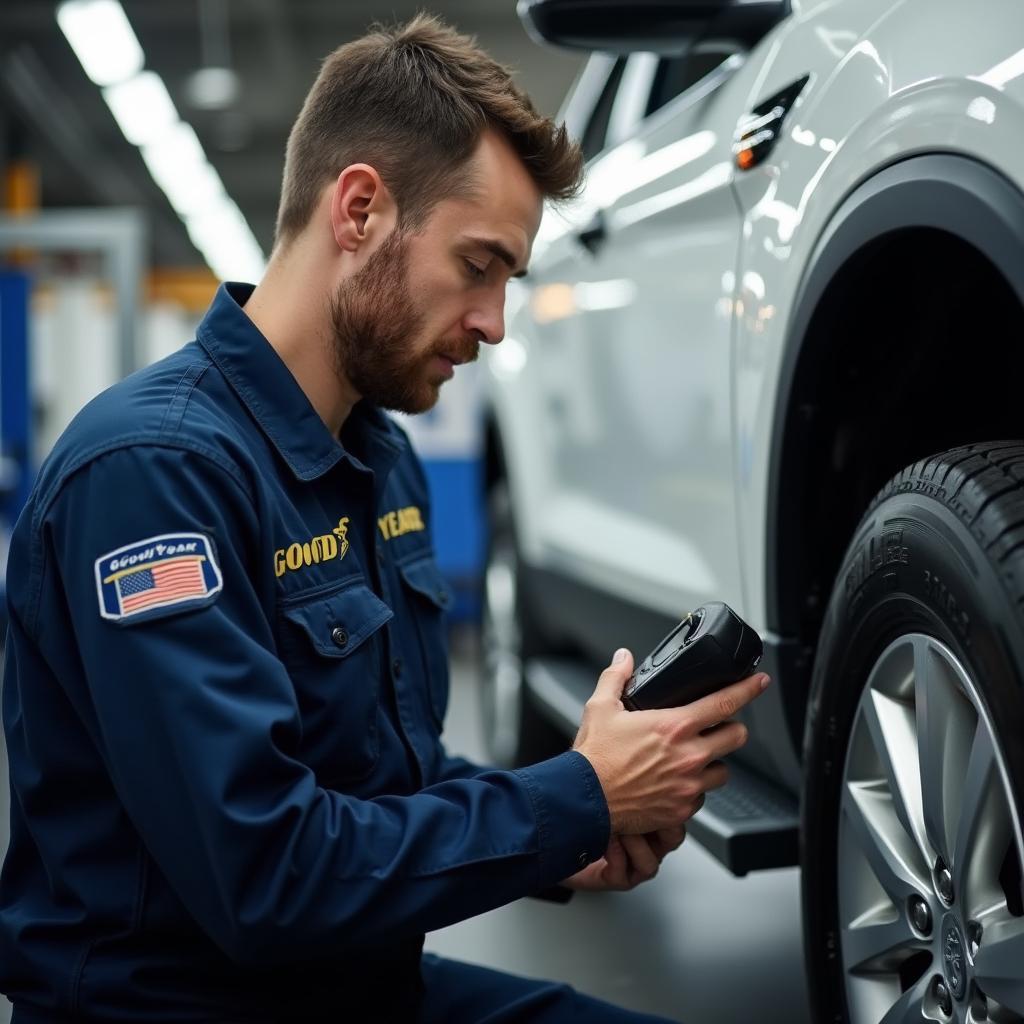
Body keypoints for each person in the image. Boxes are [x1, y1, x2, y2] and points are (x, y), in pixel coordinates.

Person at [0, 15, 769, 1023]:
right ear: (358, 209)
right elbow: (267, 873)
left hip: (360, 984)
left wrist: (569, 833)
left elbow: (380, 775)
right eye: (479, 265)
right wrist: (575, 797)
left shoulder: (376, 453)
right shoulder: (154, 477)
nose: (496, 323)